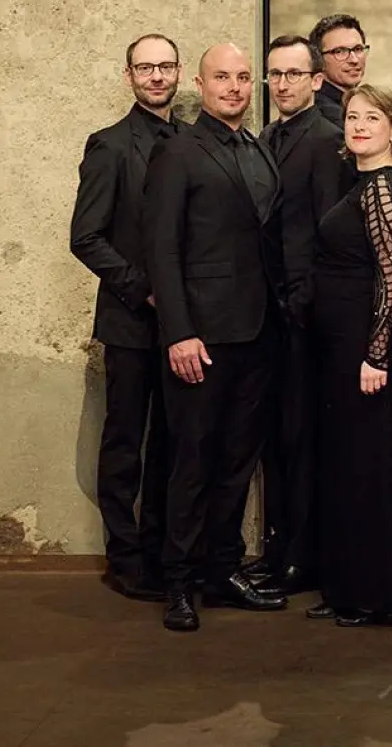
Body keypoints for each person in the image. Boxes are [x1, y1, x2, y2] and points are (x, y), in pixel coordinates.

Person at [144, 43, 290, 632]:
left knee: (237, 460)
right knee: (193, 461)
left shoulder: (258, 148)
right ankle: (178, 582)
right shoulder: (178, 152)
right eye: (221, 77)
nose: (233, 87)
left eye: (242, 78)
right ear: (200, 85)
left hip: (258, 333)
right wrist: (179, 332)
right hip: (202, 338)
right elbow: (160, 249)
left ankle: (222, 569)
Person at [69, 33, 181, 602]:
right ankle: (125, 556)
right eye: (146, 68)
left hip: (185, 327)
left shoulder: (191, 141)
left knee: (169, 442)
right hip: (131, 323)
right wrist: (146, 291)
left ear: (179, 72)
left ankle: (163, 551)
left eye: (165, 66)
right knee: (124, 443)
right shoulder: (109, 146)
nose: (157, 76)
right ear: (129, 75)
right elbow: (85, 237)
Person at [244, 34, 352, 595]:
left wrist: (303, 307)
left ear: (316, 80)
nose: (282, 84)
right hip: (267, 316)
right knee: (275, 439)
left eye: (293, 74)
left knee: (306, 437)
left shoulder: (329, 141)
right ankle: (277, 547)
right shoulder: (263, 137)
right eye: (275, 75)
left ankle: (301, 555)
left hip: (306, 318)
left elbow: (328, 236)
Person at [305, 84, 392, 628]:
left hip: (367, 345)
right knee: (349, 466)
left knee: (369, 467)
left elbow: (391, 278)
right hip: (343, 341)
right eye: (352, 116)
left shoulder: (383, 190)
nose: (359, 125)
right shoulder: (362, 182)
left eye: (373, 117)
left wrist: (376, 354)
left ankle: (374, 594)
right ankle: (349, 585)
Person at [308, 14, 369, 128]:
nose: (354, 60)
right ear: (318, 60)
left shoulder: (353, 105)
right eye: (339, 51)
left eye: (358, 49)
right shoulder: (326, 117)